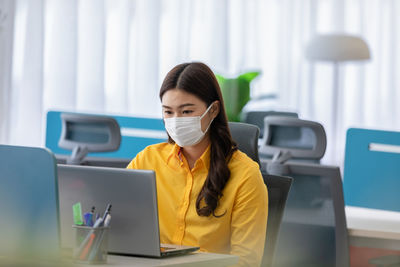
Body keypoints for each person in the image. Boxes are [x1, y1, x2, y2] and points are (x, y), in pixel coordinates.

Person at [127, 62, 268, 266]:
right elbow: (119, 228)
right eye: (168, 112)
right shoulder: (147, 160)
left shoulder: (245, 175)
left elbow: (246, 261)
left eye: (186, 112)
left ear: (213, 110)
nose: (176, 120)